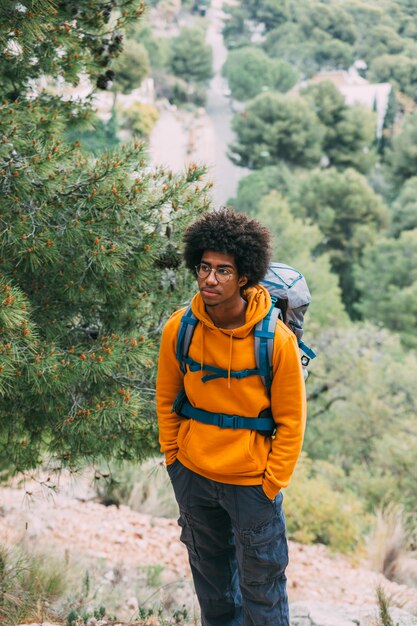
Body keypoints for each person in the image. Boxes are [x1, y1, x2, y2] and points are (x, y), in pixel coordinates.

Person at [156, 208, 306, 626]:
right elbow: (167, 400)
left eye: (224, 270)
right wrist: (174, 460)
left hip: (251, 485)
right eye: (204, 267)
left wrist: (270, 482)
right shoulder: (179, 329)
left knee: (263, 594)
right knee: (216, 595)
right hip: (193, 476)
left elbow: (292, 421)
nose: (210, 279)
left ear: (244, 277)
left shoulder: (274, 339)